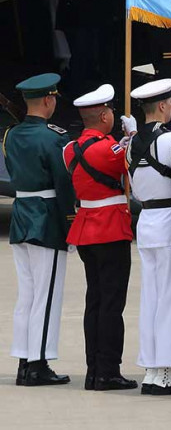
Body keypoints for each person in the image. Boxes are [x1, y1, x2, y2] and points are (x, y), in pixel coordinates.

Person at [4, 73, 76, 386]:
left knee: (28, 296)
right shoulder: (54, 138)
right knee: (46, 296)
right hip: (46, 220)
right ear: (48, 100)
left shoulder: (10, 135)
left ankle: (25, 360)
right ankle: (38, 365)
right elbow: (64, 184)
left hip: (21, 215)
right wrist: (70, 222)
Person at [64, 83, 136, 391]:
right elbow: (134, 161)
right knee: (111, 304)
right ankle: (108, 370)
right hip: (110, 229)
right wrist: (132, 137)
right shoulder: (110, 148)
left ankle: (94, 369)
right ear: (104, 116)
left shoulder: (69, 149)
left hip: (85, 229)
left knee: (94, 300)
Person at [126, 78, 171, 395]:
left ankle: (154, 370)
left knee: (152, 299)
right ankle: (164, 371)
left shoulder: (130, 143)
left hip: (147, 221)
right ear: (164, 106)